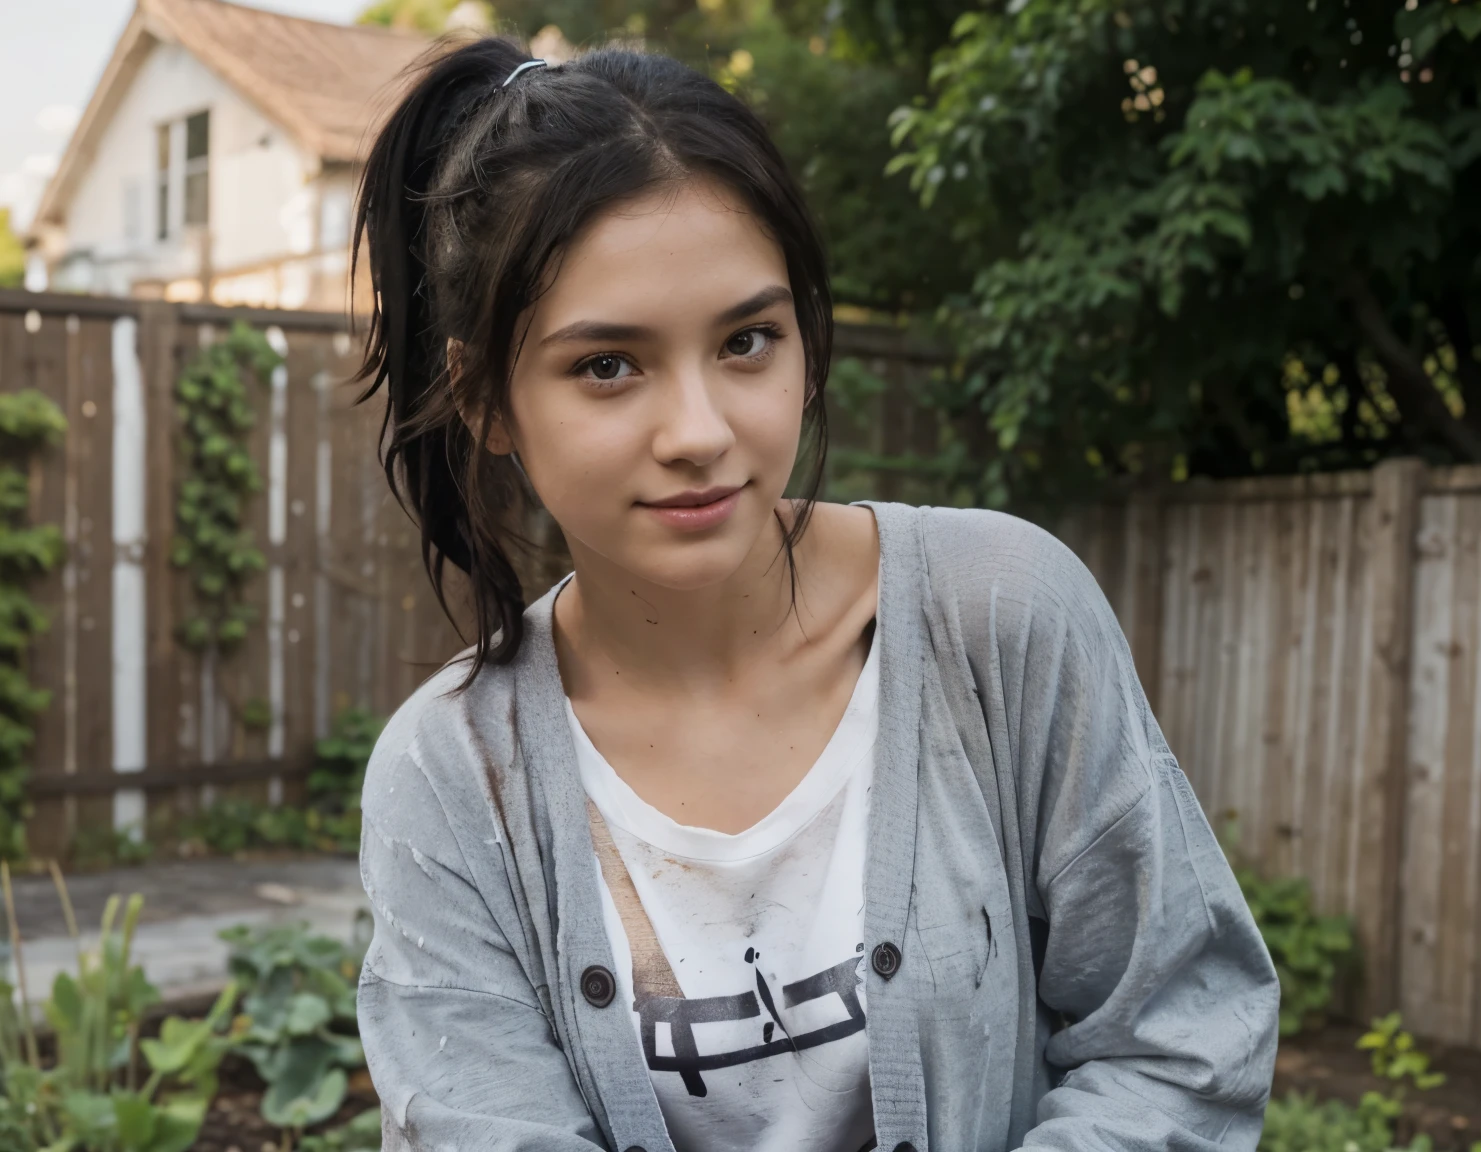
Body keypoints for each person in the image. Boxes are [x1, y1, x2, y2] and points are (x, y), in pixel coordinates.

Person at [351, 34, 1279, 1152]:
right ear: (485, 398)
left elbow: (1179, 1034)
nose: (701, 433)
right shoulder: (452, 782)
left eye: (748, 340)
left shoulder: (1000, 618)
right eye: (608, 365)